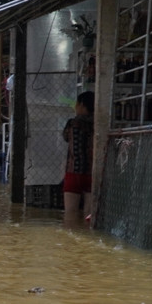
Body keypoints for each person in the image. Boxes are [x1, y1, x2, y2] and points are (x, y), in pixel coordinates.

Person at [62, 91, 95, 219]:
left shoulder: (73, 124)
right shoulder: (97, 123)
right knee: (89, 215)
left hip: (74, 171)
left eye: (77, 104)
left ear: (82, 104)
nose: (75, 107)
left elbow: (65, 137)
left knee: (70, 213)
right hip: (92, 172)